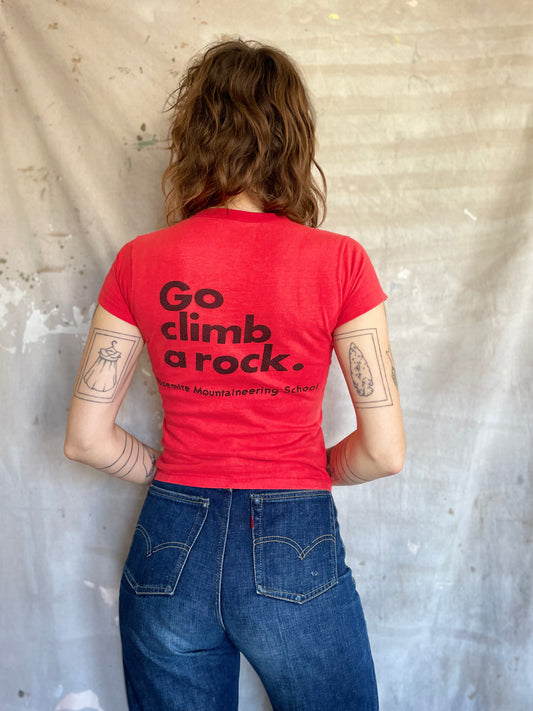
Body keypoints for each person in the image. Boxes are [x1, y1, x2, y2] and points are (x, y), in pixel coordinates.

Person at [64, 38, 405, 711]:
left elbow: (86, 437)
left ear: (194, 137)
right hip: (293, 535)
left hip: (169, 539)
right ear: (293, 139)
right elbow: (383, 451)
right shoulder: (339, 263)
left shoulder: (141, 260)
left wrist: (169, 468)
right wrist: (306, 468)